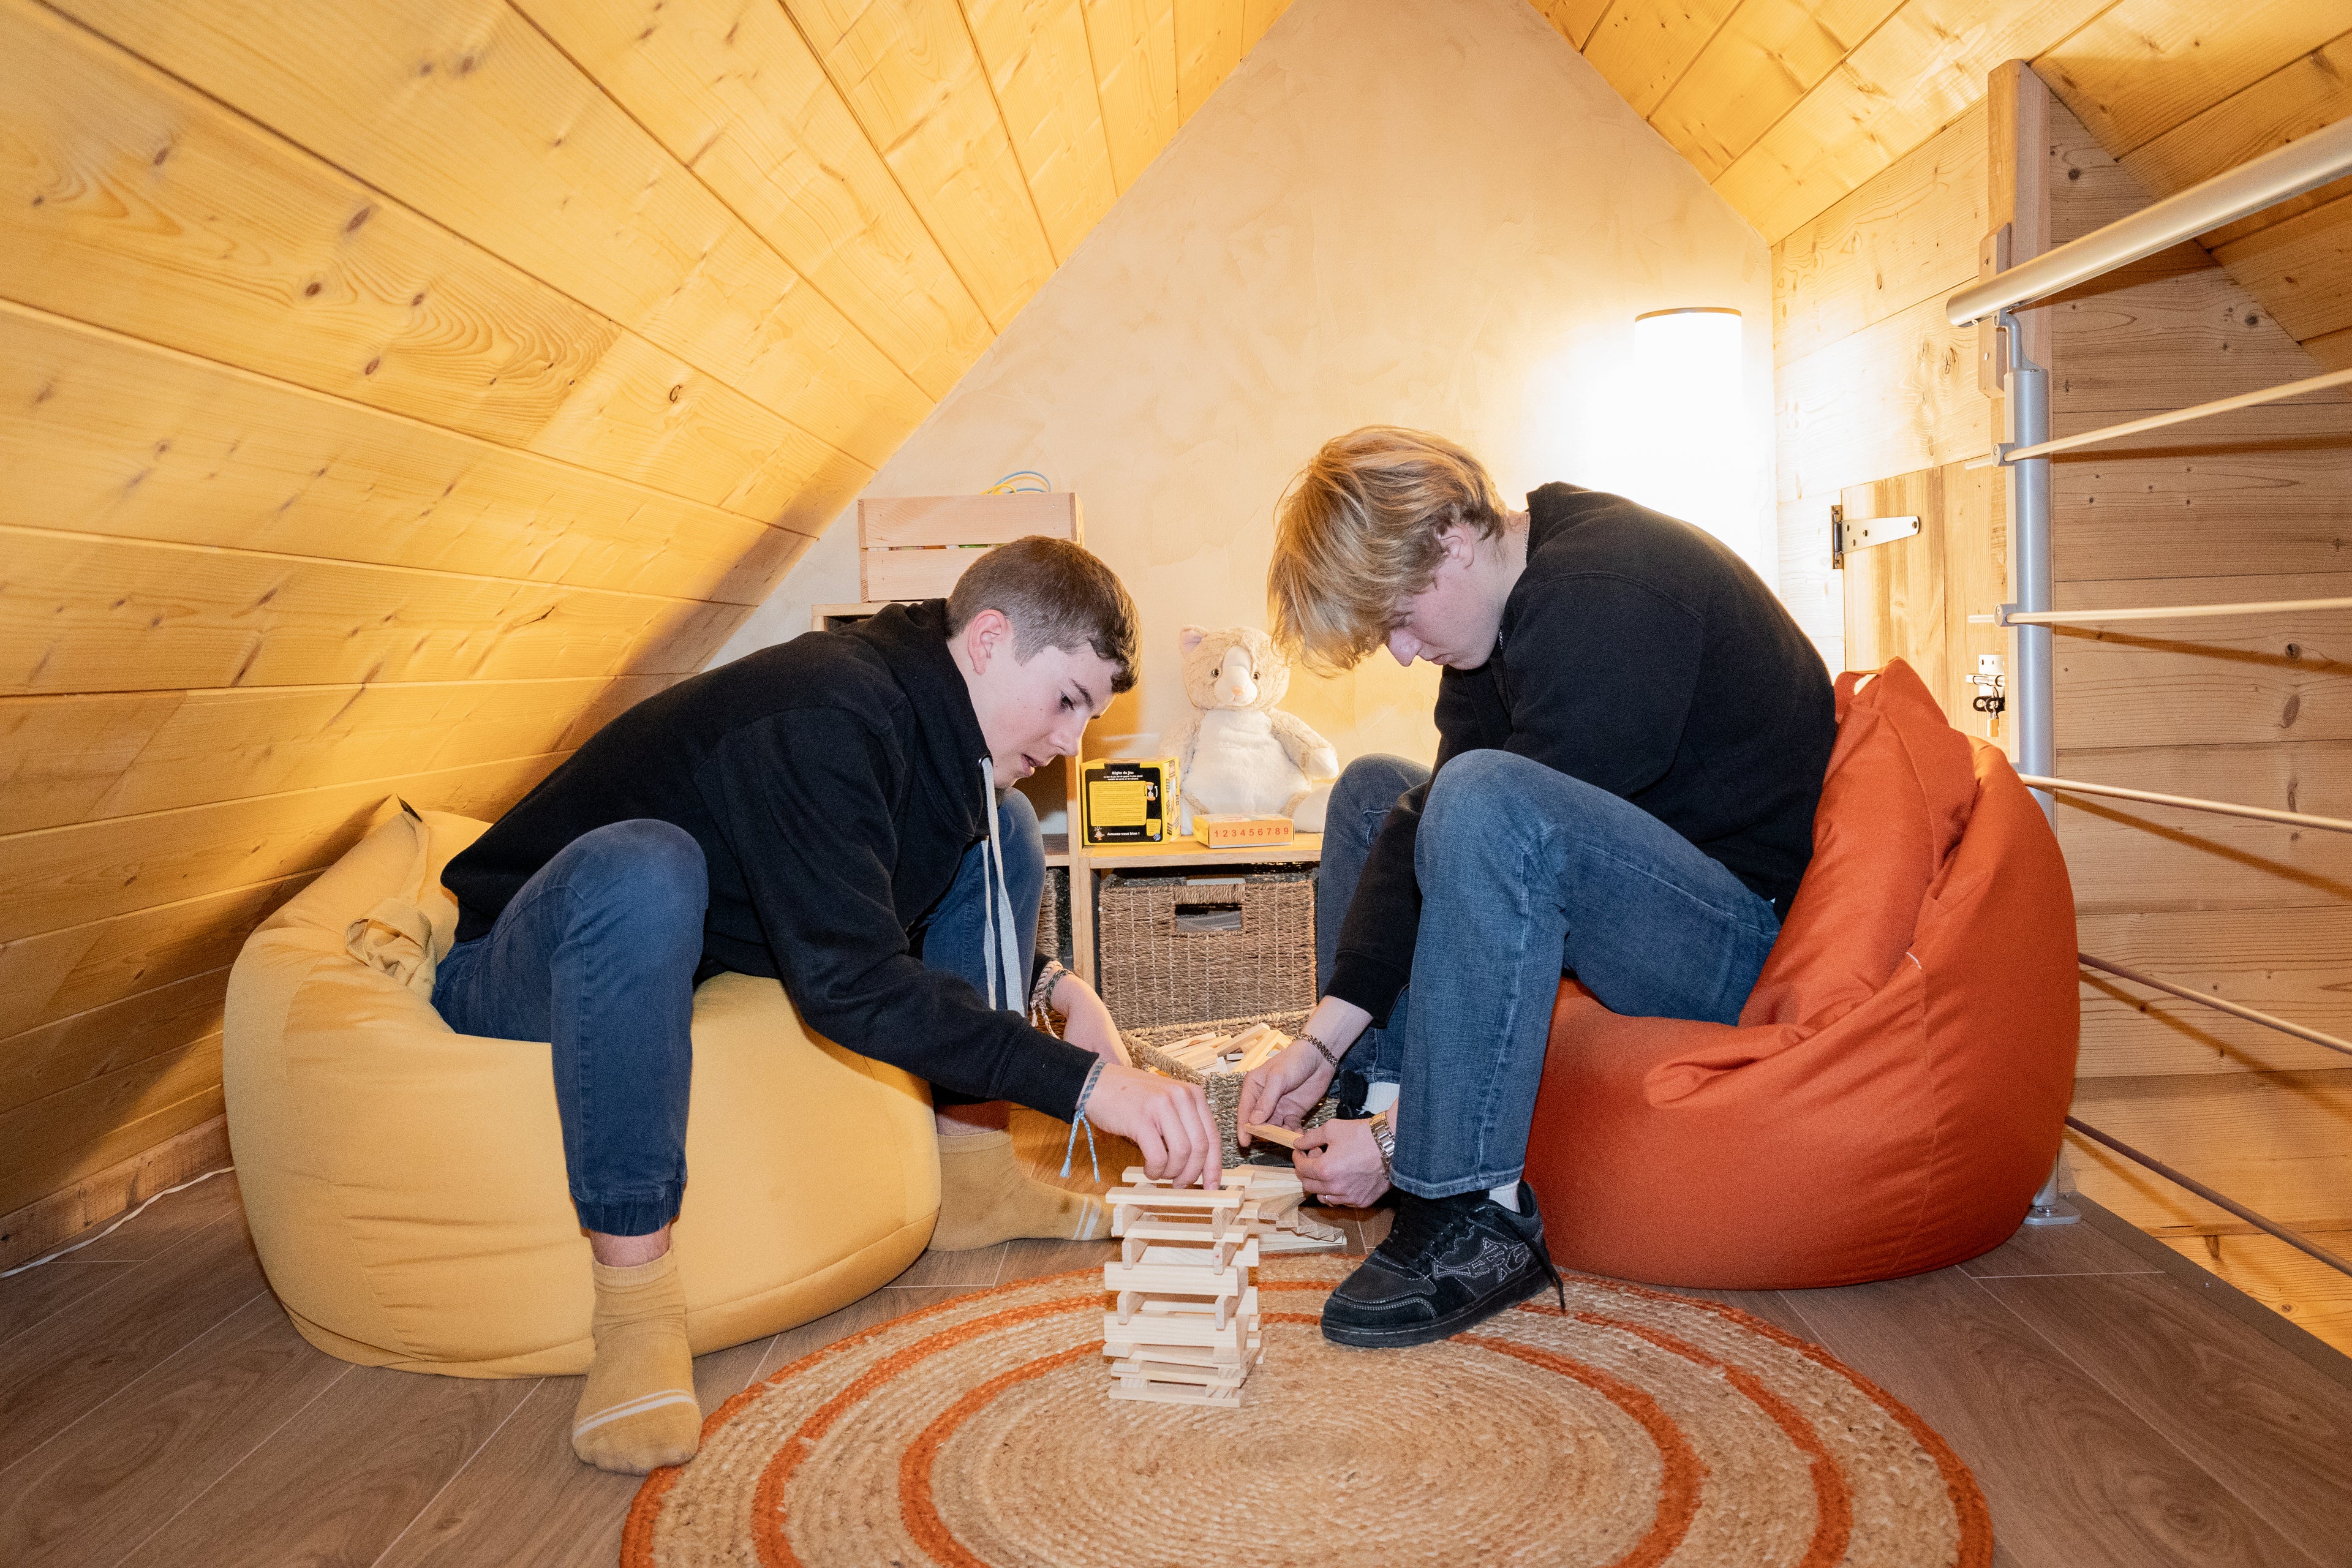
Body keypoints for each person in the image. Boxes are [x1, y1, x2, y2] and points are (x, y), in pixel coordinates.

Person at [434, 536, 1220, 1473]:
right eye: (1067, 701)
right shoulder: (826, 712)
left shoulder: (939, 736)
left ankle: (975, 1178)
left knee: (1004, 825)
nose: (1068, 742)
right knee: (648, 863)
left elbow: (868, 899)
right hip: (526, 960)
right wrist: (1089, 1087)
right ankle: (635, 1307)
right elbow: (850, 982)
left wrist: (1052, 984)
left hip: (697, 942)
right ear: (988, 640)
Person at [1238, 427, 1836, 1348]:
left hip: (1745, 940)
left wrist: (1411, 1138)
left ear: (1451, 537)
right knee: (1371, 795)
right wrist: (1322, 1044)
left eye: (1400, 617)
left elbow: (1500, 832)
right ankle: (1370, 1099)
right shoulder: (1497, 633)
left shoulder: (1609, 594)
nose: (1402, 652)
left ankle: (1472, 1205)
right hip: (1647, 905)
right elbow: (1417, 832)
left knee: (1482, 799)